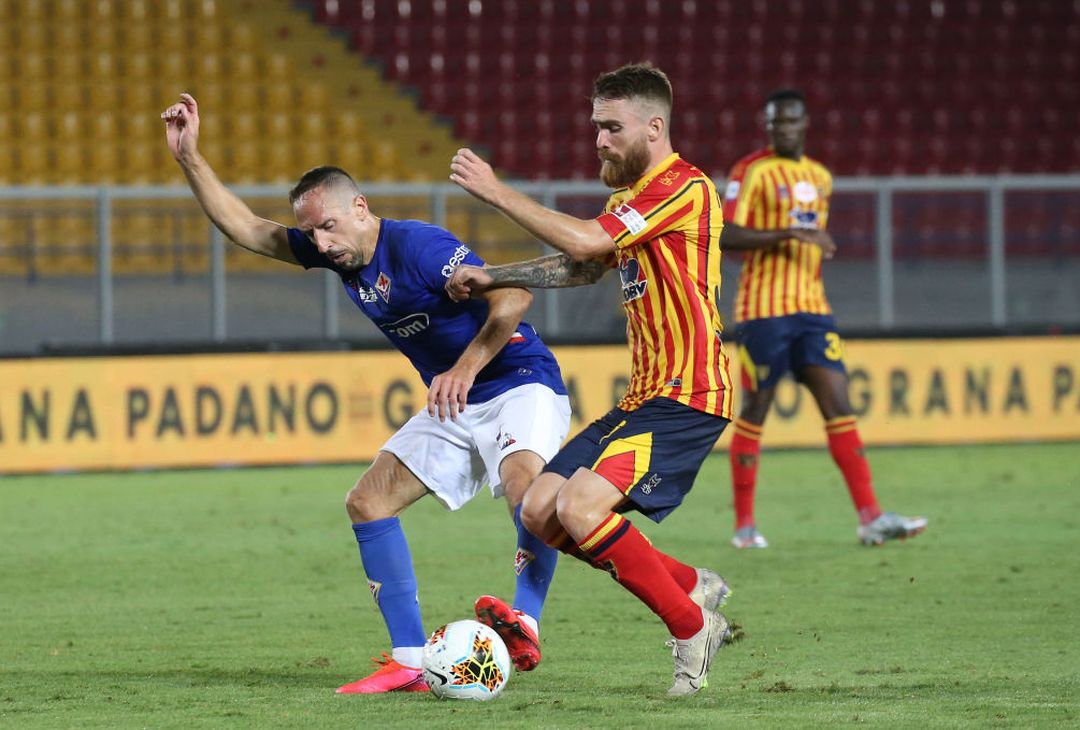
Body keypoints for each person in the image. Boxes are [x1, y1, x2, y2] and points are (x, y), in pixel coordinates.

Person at [161, 93, 571, 693]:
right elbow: (249, 229)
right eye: (311, 232)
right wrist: (190, 159)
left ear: (360, 207)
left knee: (524, 490)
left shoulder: (418, 246)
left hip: (518, 379)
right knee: (367, 501)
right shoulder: (341, 257)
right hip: (454, 402)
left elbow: (513, 298)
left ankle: (525, 623)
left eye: (327, 226)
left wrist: (462, 368)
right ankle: (409, 660)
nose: (320, 243)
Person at [446, 63, 734, 696]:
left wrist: (496, 191)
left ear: (653, 127)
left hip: (689, 395)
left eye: (611, 128)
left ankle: (692, 628)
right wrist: (498, 275)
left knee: (578, 507)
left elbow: (581, 243)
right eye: (595, 127)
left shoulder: (683, 188)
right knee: (539, 512)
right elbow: (581, 267)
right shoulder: (626, 204)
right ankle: (689, 583)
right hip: (643, 398)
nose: (598, 141)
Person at [719, 89, 928, 548]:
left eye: (789, 122)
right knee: (756, 410)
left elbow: (808, 234)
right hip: (763, 313)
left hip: (814, 310)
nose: (781, 130)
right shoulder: (750, 171)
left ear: (804, 123)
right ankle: (745, 526)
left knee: (839, 404)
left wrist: (815, 238)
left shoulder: (820, 177)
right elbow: (726, 233)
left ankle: (870, 515)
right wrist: (787, 233)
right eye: (774, 123)